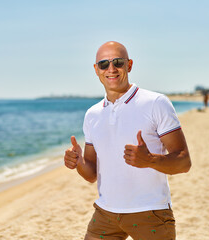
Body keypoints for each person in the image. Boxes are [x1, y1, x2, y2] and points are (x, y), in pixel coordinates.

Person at [64, 41, 192, 240]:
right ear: (96, 70)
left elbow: (184, 162)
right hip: (105, 213)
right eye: (104, 64)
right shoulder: (92, 114)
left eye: (118, 62)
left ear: (129, 65)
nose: (111, 69)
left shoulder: (156, 103)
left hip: (151, 213)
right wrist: (78, 162)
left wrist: (150, 160)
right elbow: (90, 174)